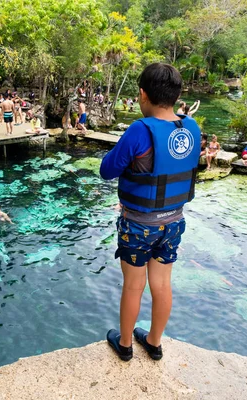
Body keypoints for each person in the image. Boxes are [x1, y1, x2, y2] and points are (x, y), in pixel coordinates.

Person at [99, 63, 201, 362]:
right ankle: (154, 342)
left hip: (139, 223)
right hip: (174, 221)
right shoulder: (191, 127)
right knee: (162, 282)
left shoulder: (139, 130)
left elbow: (107, 170)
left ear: (143, 94)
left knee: (134, 284)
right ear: (176, 95)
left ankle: (127, 344)